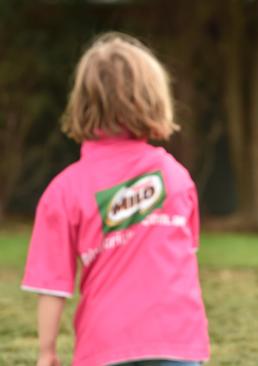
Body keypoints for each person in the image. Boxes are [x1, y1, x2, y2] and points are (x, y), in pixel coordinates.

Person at [21, 32, 210, 366]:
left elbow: (52, 284)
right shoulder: (176, 176)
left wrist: (46, 352)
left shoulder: (65, 189)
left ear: (81, 104)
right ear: (153, 99)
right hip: (176, 341)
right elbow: (186, 256)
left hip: (104, 346)